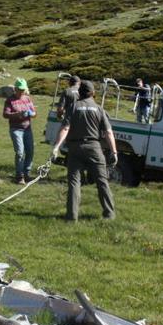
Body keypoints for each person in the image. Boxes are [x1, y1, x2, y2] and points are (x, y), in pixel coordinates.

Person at [50, 80, 117, 221]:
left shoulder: (73, 107)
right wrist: (114, 152)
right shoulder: (99, 109)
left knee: (74, 183)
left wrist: (56, 147)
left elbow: (65, 128)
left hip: (75, 149)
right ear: (93, 93)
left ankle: (71, 216)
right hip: (94, 148)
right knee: (102, 181)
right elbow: (109, 132)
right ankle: (109, 214)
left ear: (79, 93)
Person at [2, 78, 37, 184]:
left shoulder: (27, 99)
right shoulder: (10, 100)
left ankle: (27, 173)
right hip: (16, 129)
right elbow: (5, 114)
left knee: (30, 151)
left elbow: (35, 113)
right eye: (20, 89)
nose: (22, 92)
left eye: (23, 89)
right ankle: (19, 176)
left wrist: (32, 114)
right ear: (15, 89)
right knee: (20, 152)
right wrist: (18, 114)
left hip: (27, 128)